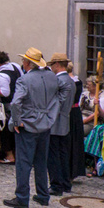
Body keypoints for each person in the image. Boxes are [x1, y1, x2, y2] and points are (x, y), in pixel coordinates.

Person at [3, 48, 61, 208]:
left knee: (24, 163)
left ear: (28, 63)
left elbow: (15, 103)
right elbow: (59, 96)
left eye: (24, 61)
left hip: (28, 125)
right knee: (41, 162)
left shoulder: (25, 80)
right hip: (45, 124)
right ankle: (43, 195)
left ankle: (22, 197)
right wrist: (51, 116)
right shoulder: (52, 77)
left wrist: (16, 121)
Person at [46, 54, 76, 196]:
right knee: (63, 154)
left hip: (55, 122)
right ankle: (65, 182)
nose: (51, 67)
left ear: (57, 64)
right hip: (64, 121)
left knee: (53, 155)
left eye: (52, 65)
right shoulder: (70, 81)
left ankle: (57, 184)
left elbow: (54, 103)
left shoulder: (59, 81)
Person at [0, 50, 22, 163]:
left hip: (6, 106)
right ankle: (15, 153)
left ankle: (9, 155)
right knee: (15, 129)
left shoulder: (1, 75)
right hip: (19, 102)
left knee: (5, 130)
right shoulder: (15, 66)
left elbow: (5, 92)